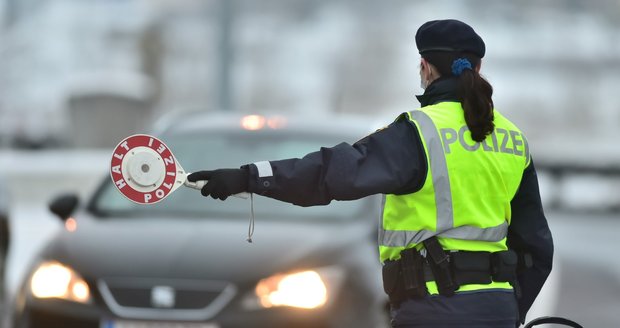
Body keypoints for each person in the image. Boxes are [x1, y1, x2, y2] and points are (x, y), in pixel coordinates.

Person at [188, 19, 553, 328]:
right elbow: (537, 247)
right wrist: (508, 310)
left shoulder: (418, 132)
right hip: (497, 309)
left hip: (433, 311)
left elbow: (330, 174)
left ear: (426, 67)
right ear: (478, 67)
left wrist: (250, 176)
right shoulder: (511, 138)